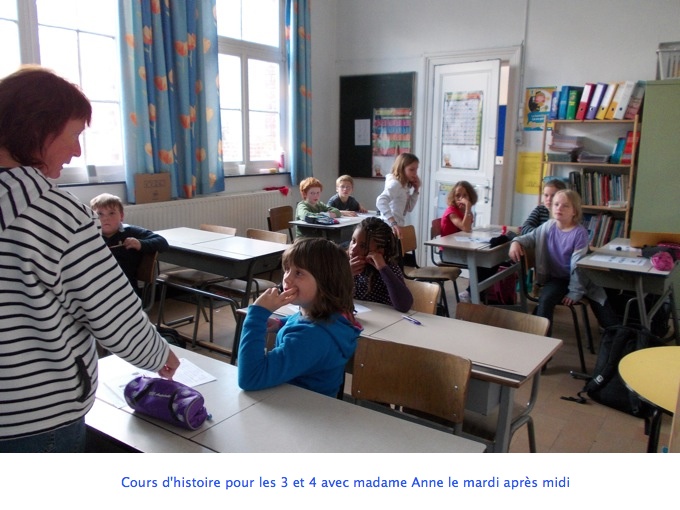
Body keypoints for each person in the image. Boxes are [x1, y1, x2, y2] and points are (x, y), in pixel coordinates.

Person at [0, 66, 179, 453]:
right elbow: (110, 311)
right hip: (37, 414)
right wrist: (157, 353)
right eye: (74, 135)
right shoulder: (54, 212)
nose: (77, 151)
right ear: (39, 129)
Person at [237, 238, 361, 398]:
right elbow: (302, 321)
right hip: (295, 402)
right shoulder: (325, 315)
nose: (287, 278)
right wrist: (280, 323)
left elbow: (250, 378)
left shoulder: (311, 338)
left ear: (325, 283)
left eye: (299, 273)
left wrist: (257, 315)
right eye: (287, 269)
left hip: (300, 409)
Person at [508, 189, 618, 335]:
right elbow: (528, 238)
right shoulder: (548, 226)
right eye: (556, 204)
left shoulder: (579, 233)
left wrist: (575, 292)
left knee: (607, 317)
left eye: (565, 206)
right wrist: (515, 242)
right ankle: (542, 340)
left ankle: (618, 336)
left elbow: (578, 267)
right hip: (557, 280)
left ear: (574, 211)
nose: (559, 208)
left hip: (582, 281)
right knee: (546, 299)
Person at [89, 193, 169, 289]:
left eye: (111, 213)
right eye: (100, 214)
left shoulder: (130, 232)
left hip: (126, 289)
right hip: (96, 288)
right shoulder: (89, 236)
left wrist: (140, 244)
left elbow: (162, 242)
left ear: (121, 216)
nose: (105, 218)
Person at [349, 216, 413, 312]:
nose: (353, 249)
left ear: (379, 251)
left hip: (385, 319)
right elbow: (329, 297)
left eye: (363, 246)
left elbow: (404, 306)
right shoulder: (344, 264)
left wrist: (383, 268)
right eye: (353, 241)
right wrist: (346, 274)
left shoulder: (389, 269)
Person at [376, 152, 420, 238]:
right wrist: (393, 223)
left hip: (396, 227)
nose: (415, 173)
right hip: (388, 227)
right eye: (411, 170)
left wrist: (416, 190)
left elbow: (409, 208)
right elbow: (380, 201)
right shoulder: (395, 184)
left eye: (416, 169)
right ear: (401, 169)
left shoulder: (404, 185)